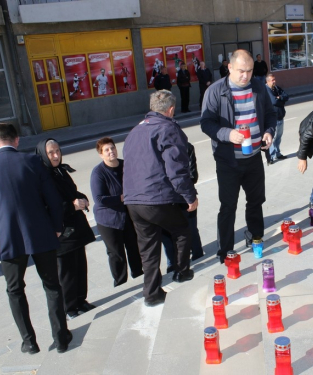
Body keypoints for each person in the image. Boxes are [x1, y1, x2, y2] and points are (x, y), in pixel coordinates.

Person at [0, 124, 72, 355]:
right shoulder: (32, 162)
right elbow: (52, 198)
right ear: (17, 140)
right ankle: (61, 338)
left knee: (14, 290)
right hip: (40, 233)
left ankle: (29, 342)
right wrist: (57, 227)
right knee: (51, 285)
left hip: (7, 238)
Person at [123, 90, 198, 307]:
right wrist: (189, 196)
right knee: (182, 229)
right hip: (156, 197)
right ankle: (182, 272)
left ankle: (152, 293)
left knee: (148, 247)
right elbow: (176, 167)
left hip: (133, 200)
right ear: (171, 109)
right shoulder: (168, 128)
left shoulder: (135, 131)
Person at [200, 49, 276, 263]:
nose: (246, 75)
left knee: (256, 201)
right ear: (230, 68)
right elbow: (206, 123)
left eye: (250, 71)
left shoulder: (259, 87)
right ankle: (225, 251)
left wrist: (269, 132)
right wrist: (227, 134)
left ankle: (255, 237)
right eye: (241, 71)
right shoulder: (216, 91)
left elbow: (270, 114)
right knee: (228, 206)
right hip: (228, 160)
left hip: (253, 157)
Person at [35, 139, 96, 320]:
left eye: (57, 151)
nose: (55, 156)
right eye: (51, 153)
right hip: (62, 232)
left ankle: (80, 300)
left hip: (75, 228)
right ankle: (70, 307)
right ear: (43, 155)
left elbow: (71, 192)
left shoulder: (60, 171)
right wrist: (71, 206)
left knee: (80, 266)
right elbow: (47, 206)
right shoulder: (42, 176)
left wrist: (81, 198)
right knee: (67, 272)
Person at [90, 137, 143, 287]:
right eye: (106, 150)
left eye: (112, 148)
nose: (111, 152)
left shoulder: (125, 165)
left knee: (134, 248)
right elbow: (99, 199)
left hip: (128, 216)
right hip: (109, 220)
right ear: (101, 155)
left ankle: (139, 277)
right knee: (117, 254)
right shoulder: (98, 173)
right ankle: (121, 285)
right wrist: (120, 198)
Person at [162, 142, 204, 273]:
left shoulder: (187, 147)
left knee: (190, 229)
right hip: (165, 200)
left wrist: (180, 188)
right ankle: (172, 263)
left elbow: (193, 175)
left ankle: (197, 255)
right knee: (167, 235)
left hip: (184, 197)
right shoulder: (156, 150)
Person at [265, 73, 289, 165]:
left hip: (280, 116)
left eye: (274, 79)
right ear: (267, 81)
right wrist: (280, 100)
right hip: (272, 118)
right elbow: (274, 101)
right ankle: (270, 156)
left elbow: (286, 96)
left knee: (278, 136)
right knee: (272, 137)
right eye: (272, 80)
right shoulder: (266, 89)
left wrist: (280, 98)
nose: (274, 81)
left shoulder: (277, 88)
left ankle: (277, 153)